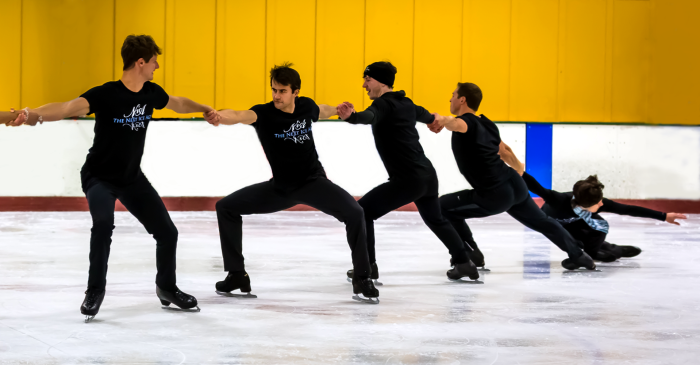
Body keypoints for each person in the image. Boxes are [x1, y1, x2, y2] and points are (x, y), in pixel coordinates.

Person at [10, 35, 216, 321]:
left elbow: (177, 103)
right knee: (103, 224)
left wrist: (204, 109)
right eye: (154, 61)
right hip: (100, 177)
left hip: (131, 178)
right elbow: (67, 108)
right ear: (140, 62)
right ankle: (95, 291)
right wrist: (32, 114)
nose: (157, 66)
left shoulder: (150, 93)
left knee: (167, 232)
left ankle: (167, 288)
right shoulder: (105, 94)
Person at [204, 63, 379, 304]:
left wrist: (340, 110)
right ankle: (236, 275)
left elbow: (324, 110)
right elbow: (238, 115)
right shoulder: (263, 114)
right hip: (281, 188)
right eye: (274, 90)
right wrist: (219, 116)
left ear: (295, 92)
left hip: (313, 183)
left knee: (355, 212)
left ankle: (362, 277)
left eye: (282, 91)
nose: (276, 96)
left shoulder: (306, 106)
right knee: (226, 207)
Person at [335, 62, 478, 283]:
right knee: (436, 219)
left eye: (368, 79)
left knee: (362, 212)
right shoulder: (406, 103)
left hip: (408, 180)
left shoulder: (383, 105)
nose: (364, 85)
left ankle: (367, 267)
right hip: (427, 176)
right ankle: (464, 262)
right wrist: (436, 122)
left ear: (381, 82)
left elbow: (368, 117)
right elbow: (429, 116)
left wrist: (352, 117)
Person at [429, 82, 596, 271]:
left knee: (442, 207)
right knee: (542, 221)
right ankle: (579, 256)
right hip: (515, 184)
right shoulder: (487, 123)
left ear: (462, 99)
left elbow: (455, 123)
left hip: (494, 194)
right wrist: (519, 171)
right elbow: (505, 151)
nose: (450, 98)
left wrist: (442, 120)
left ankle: (470, 253)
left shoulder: (466, 122)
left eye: (453, 95)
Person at [496, 147, 687, 261]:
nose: (602, 204)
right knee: (577, 241)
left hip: (576, 222)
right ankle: (602, 249)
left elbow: (628, 209)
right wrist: (512, 165)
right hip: (556, 223)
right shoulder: (558, 200)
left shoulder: (597, 204)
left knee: (600, 226)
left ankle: (605, 248)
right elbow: (534, 185)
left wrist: (664, 216)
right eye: (598, 203)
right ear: (586, 204)